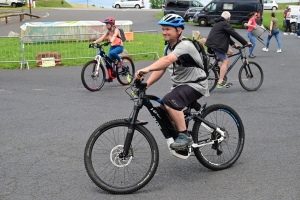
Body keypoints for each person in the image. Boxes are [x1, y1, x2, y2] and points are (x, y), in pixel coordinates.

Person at [135, 14, 209, 150]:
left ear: (179, 30)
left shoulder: (185, 45)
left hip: (196, 84)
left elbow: (167, 60)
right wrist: (147, 85)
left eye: (168, 29)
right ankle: (181, 132)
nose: (164, 32)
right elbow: (162, 68)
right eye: (163, 29)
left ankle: (184, 136)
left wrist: (147, 68)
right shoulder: (169, 48)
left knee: (169, 101)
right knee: (163, 109)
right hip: (181, 85)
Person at [205, 11, 252, 89]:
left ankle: (213, 64)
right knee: (225, 61)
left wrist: (233, 44)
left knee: (230, 52)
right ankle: (220, 82)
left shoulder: (219, 22)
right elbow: (234, 33)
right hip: (217, 45)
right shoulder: (225, 23)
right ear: (228, 18)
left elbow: (226, 35)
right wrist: (246, 42)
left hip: (212, 44)